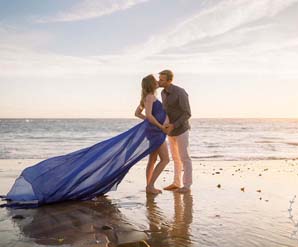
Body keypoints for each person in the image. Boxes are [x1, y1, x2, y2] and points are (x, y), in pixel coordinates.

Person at [1, 74, 169, 208]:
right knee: (165, 159)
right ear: (150, 83)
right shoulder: (149, 97)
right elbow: (146, 115)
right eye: (155, 80)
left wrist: (150, 122)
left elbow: (138, 114)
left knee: (154, 159)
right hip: (155, 131)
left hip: (152, 131)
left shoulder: (148, 97)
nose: (157, 82)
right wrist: (159, 126)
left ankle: (150, 185)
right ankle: (150, 186)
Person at [158, 70, 193, 193]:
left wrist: (174, 125)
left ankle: (187, 186)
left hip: (181, 129)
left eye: (162, 80)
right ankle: (176, 183)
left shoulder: (180, 92)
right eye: (159, 79)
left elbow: (187, 113)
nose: (159, 81)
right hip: (170, 131)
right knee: (175, 158)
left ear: (169, 80)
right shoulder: (162, 93)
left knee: (185, 158)